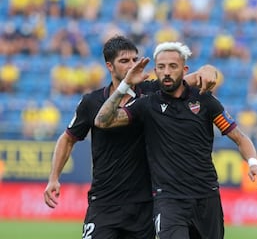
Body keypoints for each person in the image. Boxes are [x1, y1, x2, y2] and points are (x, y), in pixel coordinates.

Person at [43, 35, 219, 239]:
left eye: (134, 60)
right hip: (104, 201)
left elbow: (189, 77)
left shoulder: (152, 91)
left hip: (144, 205)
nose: (131, 65)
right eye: (124, 61)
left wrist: (208, 69)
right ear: (110, 66)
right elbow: (68, 138)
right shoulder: (91, 102)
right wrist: (54, 178)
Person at [94, 41, 257, 239]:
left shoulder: (204, 101)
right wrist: (125, 85)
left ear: (184, 69)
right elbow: (102, 121)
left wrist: (253, 163)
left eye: (172, 66)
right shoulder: (146, 105)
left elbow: (239, 137)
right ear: (155, 70)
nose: (166, 72)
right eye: (161, 67)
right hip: (169, 202)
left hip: (206, 197)